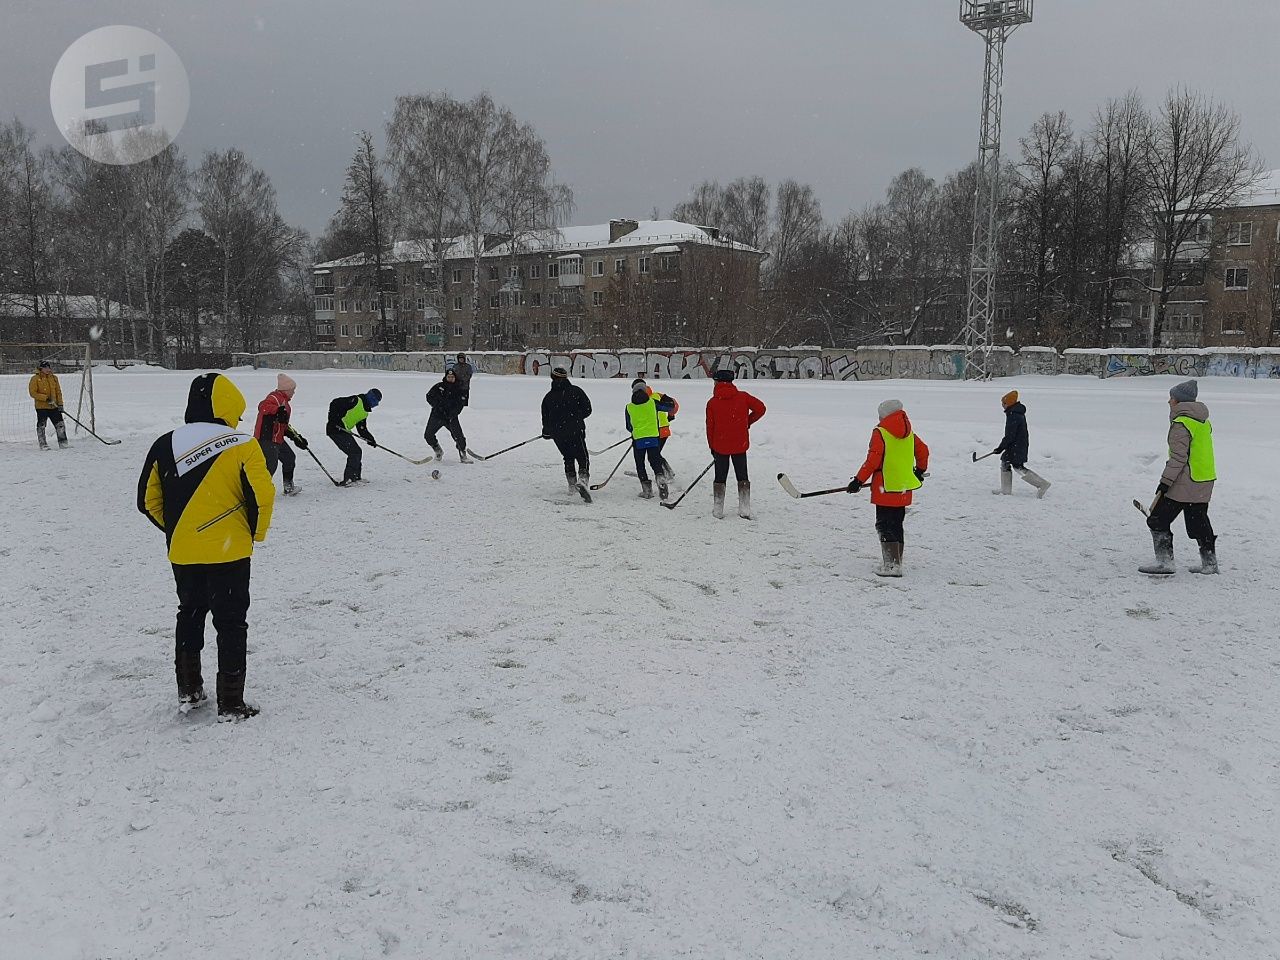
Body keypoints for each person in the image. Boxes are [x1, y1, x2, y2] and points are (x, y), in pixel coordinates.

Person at [136, 372, 275, 720]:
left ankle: (190, 690)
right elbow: (263, 496)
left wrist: (177, 530)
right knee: (231, 623)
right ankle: (231, 702)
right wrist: (254, 534)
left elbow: (147, 500)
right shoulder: (243, 444)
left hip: (183, 551)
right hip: (230, 552)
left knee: (190, 613)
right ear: (228, 406)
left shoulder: (164, 443)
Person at [1140, 379, 1217, 575]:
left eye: (1171, 398)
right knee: (1198, 523)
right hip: (1204, 480)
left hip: (1184, 482)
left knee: (1157, 520)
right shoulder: (1202, 421)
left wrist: (1164, 483)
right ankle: (1210, 564)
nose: (1168, 401)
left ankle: (1165, 563)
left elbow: (1178, 459)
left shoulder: (1181, 424)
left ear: (1179, 402)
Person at [847, 399, 930, 578]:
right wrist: (920, 471)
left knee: (884, 524)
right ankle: (896, 560)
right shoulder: (909, 434)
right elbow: (923, 451)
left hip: (885, 488)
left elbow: (872, 461)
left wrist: (858, 480)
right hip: (903, 488)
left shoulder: (881, 433)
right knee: (896, 524)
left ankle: (892, 566)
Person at [705, 369, 766, 519]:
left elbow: (709, 427)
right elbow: (761, 408)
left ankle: (718, 509)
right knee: (742, 476)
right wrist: (747, 422)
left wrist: (712, 446)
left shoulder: (712, 402)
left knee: (720, 477)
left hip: (720, 445)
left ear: (717, 382)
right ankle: (744, 508)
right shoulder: (743, 397)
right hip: (740, 444)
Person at [254, 373, 309, 495]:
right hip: (266, 437)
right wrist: (277, 411)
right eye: (292, 390)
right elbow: (262, 406)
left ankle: (288, 487)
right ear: (286, 389)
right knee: (270, 466)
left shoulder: (285, 402)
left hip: (277, 438)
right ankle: (258, 491)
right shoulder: (274, 398)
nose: (294, 393)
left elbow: (283, 424)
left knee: (289, 458)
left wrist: (296, 437)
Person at [541, 367, 592, 491]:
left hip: (558, 433)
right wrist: (577, 417)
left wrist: (547, 432)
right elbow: (588, 409)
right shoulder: (576, 391)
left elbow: (545, 419)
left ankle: (572, 485)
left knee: (568, 457)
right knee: (582, 456)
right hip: (575, 430)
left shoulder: (548, 397)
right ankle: (583, 479)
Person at [991, 390, 1050, 498]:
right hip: (1016, 444)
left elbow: (1010, 435)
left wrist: (1000, 448)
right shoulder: (1014, 412)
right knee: (1005, 462)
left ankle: (1042, 484)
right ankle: (1005, 490)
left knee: (1018, 467)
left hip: (1017, 445)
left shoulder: (1013, 415)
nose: (1002, 406)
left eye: (1003, 403)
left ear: (1008, 403)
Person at [625, 383, 676, 500]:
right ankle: (661, 479)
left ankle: (647, 491)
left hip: (638, 439)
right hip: (653, 437)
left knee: (640, 463)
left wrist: (635, 431)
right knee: (655, 461)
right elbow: (669, 407)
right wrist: (667, 399)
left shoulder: (629, 407)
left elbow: (628, 426)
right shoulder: (652, 403)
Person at [327, 388, 381, 485]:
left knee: (356, 451)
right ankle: (349, 478)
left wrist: (370, 439)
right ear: (371, 398)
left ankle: (355, 477)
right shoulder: (355, 400)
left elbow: (362, 429)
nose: (376, 404)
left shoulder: (364, 413)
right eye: (376, 401)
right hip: (336, 430)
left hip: (344, 431)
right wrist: (334, 421)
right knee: (355, 452)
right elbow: (335, 403)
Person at [633, 377, 679, 480]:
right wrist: (670, 416)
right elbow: (674, 405)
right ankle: (666, 473)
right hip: (663, 430)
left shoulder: (639, 402)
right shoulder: (657, 396)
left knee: (654, 456)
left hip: (654, 432)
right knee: (656, 454)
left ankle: (666, 473)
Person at [425, 368, 470, 462]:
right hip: (437, 415)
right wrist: (437, 406)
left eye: (452, 377)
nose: (450, 378)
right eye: (448, 377)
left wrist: (453, 413)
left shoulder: (459, 389)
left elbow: (461, 403)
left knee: (459, 437)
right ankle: (438, 451)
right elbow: (429, 396)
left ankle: (462, 453)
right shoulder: (439, 386)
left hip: (451, 417)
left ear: (455, 378)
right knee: (428, 435)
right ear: (446, 377)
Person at [29, 360, 67, 450]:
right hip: (41, 407)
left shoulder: (54, 378)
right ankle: (43, 444)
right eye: (45, 367)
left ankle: (63, 443)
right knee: (41, 425)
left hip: (54, 406)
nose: (47, 369)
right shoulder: (35, 378)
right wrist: (45, 398)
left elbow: (58, 392)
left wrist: (60, 404)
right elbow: (32, 393)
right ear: (40, 368)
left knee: (60, 424)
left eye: (48, 367)